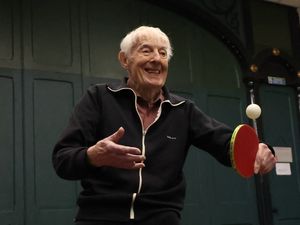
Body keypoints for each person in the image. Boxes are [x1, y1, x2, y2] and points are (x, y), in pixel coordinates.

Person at [52, 26, 276, 225]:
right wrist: (93, 156)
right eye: (146, 50)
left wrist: (260, 151)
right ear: (124, 59)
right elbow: (63, 159)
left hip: (161, 218)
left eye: (163, 53)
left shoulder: (183, 110)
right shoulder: (99, 98)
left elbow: (228, 144)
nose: (156, 59)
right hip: (98, 217)